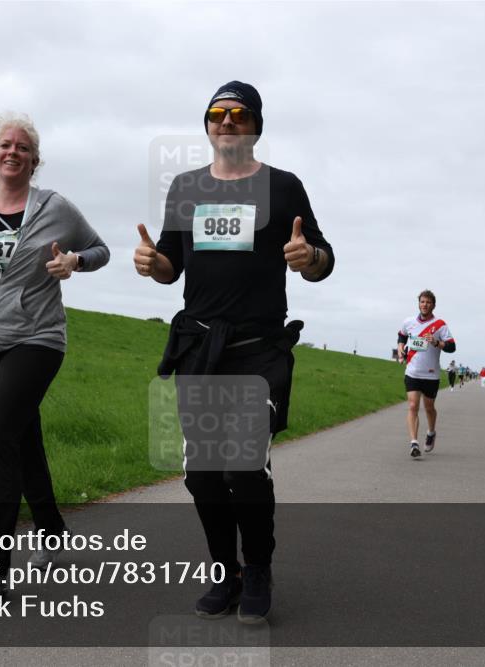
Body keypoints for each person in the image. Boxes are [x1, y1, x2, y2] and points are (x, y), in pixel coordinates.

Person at [133, 81, 334, 623]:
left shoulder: (283, 186)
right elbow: (172, 264)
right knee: (202, 474)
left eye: (238, 114)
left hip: (257, 350)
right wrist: (156, 266)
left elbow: (323, 257)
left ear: (255, 127)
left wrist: (307, 255)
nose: (227, 122)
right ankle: (227, 570)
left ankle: (260, 567)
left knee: (244, 468)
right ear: (207, 125)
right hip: (201, 347)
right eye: (217, 113)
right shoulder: (185, 188)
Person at [0, 113, 110, 598]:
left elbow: (100, 250)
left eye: (23, 147)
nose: (13, 151)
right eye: (5, 145)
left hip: (39, 338)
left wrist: (75, 261)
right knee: (22, 437)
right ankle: (52, 532)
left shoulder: (55, 207)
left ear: (34, 160)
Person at [397, 290, 455, 457]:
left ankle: (431, 432)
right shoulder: (409, 322)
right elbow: (401, 335)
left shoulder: (440, 325)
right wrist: (401, 347)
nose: (425, 305)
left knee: (429, 408)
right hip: (413, 372)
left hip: (431, 374)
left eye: (428, 302)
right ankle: (414, 443)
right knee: (413, 406)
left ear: (433, 305)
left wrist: (437, 342)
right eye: (422, 302)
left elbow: (452, 347)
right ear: (418, 303)